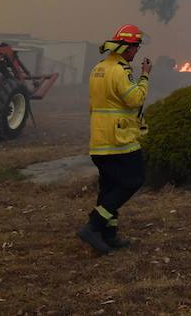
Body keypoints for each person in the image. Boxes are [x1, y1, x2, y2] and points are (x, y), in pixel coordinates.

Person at [78, 24, 152, 254]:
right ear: (127, 47)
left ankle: (109, 235)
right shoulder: (120, 71)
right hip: (119, 140)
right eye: (136, 47)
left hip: (100, 140)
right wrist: (145, 76)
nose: (137, 51)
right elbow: (134, 99)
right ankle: (93, 225)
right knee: (133, 180)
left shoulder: (98, 68)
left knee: (109, 187)